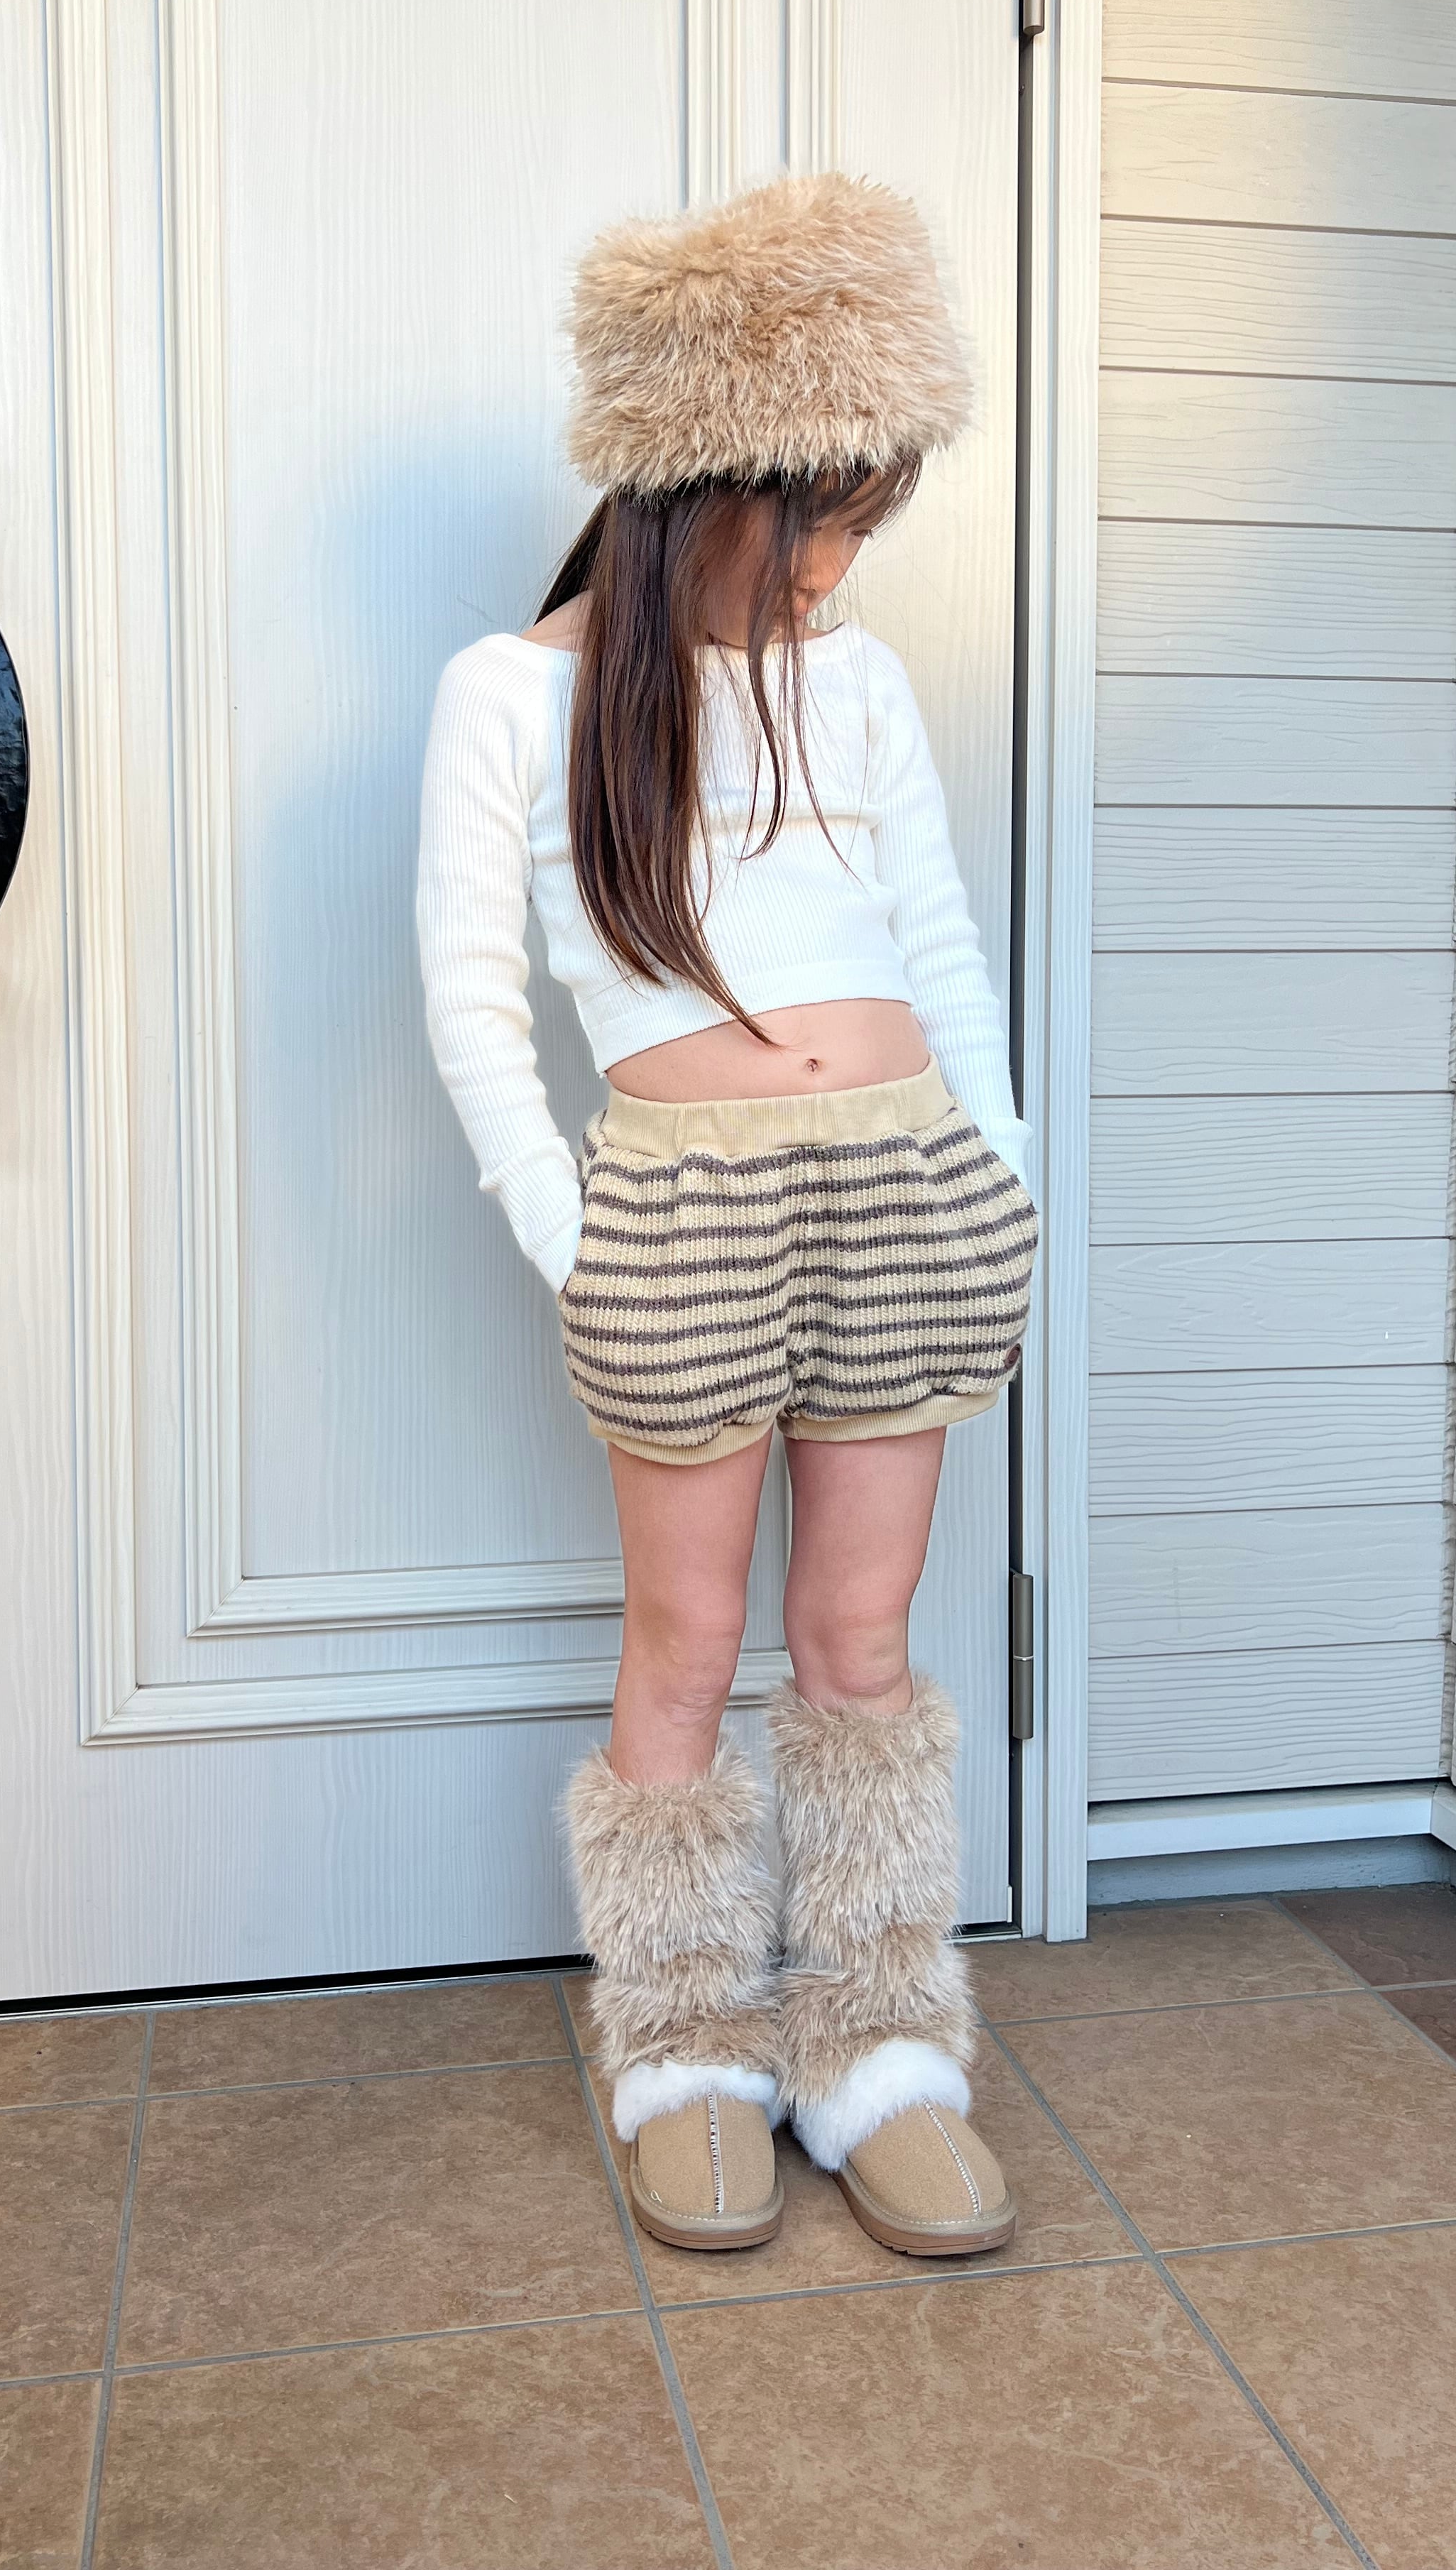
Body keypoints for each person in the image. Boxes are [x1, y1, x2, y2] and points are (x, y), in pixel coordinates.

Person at [416, 171, 1038, 2258]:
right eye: (822, 520)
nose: (842, 566)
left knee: (860, 1643)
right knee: (684, 1644)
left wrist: (1001, 1168)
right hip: (680, 1216)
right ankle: (682, 2047)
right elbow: (472, 1003)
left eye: (867, 523)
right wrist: (574, 1232)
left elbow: (936, 938)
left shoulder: (853, 682)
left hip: (904, 1185)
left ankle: (884, 2049)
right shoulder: (512, 697)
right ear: (700, 490)